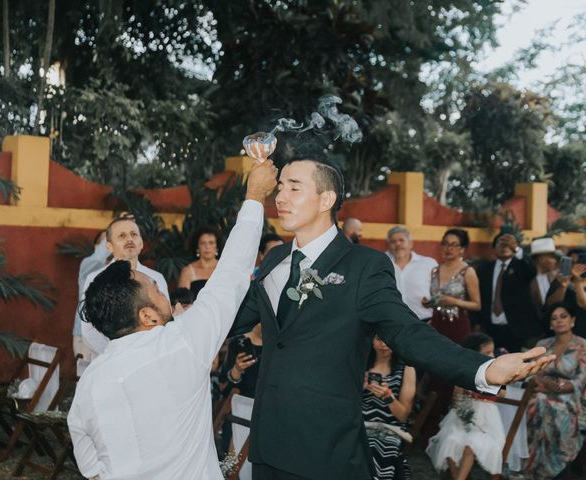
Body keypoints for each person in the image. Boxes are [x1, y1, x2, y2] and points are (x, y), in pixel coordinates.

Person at [231, 157, 553, 480]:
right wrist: (181, 321)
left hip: (325, 447)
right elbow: (231, 318)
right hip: (268, 443)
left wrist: (484, 368)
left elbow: (407, 331)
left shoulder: (364, 266)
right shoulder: (274, 259)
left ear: (326, 199)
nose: (280, 197)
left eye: (293, 187)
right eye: (280, 186)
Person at [67, 160, 277, 480]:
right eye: (155, 288)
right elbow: (231, 275)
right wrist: (254, 196)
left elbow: (92, 469)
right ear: (147, 316)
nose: (164, 291)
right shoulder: (182, 344)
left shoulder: (88, 387)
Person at [80, 215, 170, 357]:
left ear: (141, 243)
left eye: (134, 234)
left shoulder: (157, 278)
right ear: (109, 246)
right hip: (111, 359)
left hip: (150, 356)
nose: (129, 239)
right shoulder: (95, 279)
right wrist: (120, 355)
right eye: (121, 236)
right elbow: (89, 329)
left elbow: (164, 318)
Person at [426, 333, 505, 480]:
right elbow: (455, 401)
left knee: (471, 445)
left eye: (492, 351)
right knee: (449, 441)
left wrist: (487, 385)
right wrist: (461, 387)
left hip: (486, 420)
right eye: (487, 352)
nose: (492, 355)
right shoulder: (466, 373)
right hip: (463, 417)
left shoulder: (496, 373)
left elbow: (503, 394)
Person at [524, 302, 586, 479]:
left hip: (572, 398)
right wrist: (542, 383)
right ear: (550, 324)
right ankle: (533, 463)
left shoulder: (582, 346)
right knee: (538, 400)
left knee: (542, 402)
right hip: (541, 393)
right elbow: (531, 372)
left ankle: (552, 464)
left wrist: (552, 385)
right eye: (554, 318)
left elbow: (578, 383)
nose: (559, 321)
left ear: (573, 320)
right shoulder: (543, 344)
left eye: (563, 316)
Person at [474, 233, 541, 353]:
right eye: (501, 243)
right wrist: (478, 322)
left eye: (509, 244)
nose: (505, 247)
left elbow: (531, 270)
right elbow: (478, 295)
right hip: (490, 328)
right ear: (494, 248)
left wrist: (516, 249)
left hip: (516, 328)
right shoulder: (484, 269)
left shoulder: (521, 267)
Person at [362, 336, 416, 480]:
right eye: (379, 339)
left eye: (388, 340)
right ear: (372, 340)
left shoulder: (406, 368)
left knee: (373, 449)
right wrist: (359, 388)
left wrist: (388, 396)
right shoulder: (362, 363)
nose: (384, 344)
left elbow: (403, 416)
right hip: (360, 426)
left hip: (389, 429)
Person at [425, 229, 481, 345]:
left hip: (457, 324)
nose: (448, 248)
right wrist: (430, 303)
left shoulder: (467, 271)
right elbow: (439, 298)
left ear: (462, 249)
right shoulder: (435, 270)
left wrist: (455, 301)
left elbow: (477, 305)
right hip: (437, 324)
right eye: (445, 243)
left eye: (454, 245)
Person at [386, 226, 438, 323]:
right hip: (392, 322)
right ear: (388, 246)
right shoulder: (381, 265)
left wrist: (433, 301)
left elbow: (439, 291)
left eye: (401, 240)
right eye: (393, 241)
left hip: (425, 321)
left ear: (410, 243)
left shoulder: (428, 263)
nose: (397, 244)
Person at [73, 230, 108, 362]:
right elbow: (99, 257)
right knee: (84, 379)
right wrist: (117, 227)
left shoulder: (117, 268)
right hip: (85, 336)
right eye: (106, 241)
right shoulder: (87, 265)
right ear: (96, 247)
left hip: (108, 338)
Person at [545, 247, 586, 338]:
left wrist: (577, 282)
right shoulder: (560, 280)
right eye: (572, 263)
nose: (574, 266)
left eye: (579, 263)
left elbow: (583, 304)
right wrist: (563, 287)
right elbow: (550, 305)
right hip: (562, 333)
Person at [178, 226, 223, 297]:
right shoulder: (187, 271)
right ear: (197, 247)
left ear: (217, 247)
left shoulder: (224, 269)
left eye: (211, 243)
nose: (207, 246)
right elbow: (182, 302)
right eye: (203, 243)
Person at [529, 237, 559, 322]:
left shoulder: (555, 276)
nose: (555, 261)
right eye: (552, 257)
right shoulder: (529, 281)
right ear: (542, 259)